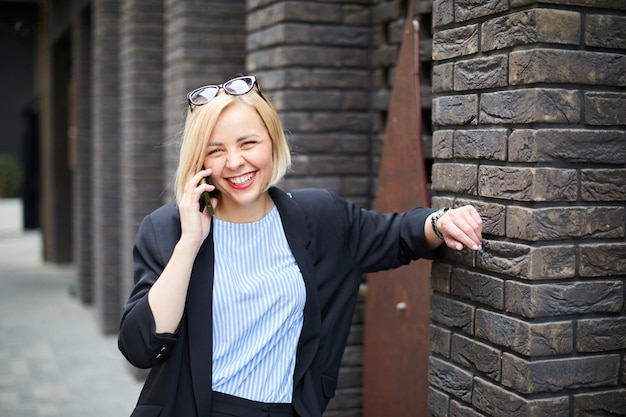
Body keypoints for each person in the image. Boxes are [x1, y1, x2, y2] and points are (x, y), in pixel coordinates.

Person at [118, 75, 483, 417]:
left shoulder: (320, 216)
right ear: (200, 161)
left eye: (248, 143)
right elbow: (140, 347)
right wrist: (189, 243)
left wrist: (441, 221)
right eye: (216, 150)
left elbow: (396, 234)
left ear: (273, 141)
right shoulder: (167, 228)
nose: (234, 162)